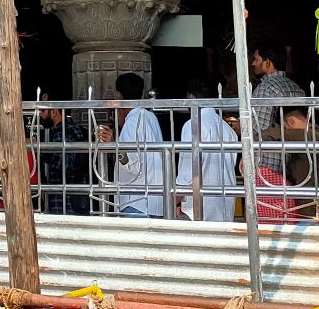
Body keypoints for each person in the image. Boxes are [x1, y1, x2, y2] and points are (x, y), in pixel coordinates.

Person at [104, 73, 170, 217]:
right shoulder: (150, 117)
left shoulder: (132, 122)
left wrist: (114, 146)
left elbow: (133, 164)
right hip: (155, 202)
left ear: (118, 96)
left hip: (136, 201)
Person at [174, 80, 238, 221]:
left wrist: (174, 199)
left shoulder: (193, 124)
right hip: (224, 207)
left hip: (197, 208)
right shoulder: (227, 129)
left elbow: (188, 171)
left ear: (191, 97)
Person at [249, 41, 305, 181]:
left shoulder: (265, 89)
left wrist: (241, 127)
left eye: (256, 59)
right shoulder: (296, 88)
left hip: (269, 163)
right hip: (293, 162)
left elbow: (258, 130)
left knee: (268, 202)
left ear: (268, 63)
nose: (253, 64)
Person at [36, 104, 95, 216]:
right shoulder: (78, 130)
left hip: (65, 200)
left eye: (43, 110)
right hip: (79, 198)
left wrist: (43, 150)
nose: (40, 114)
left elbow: (66, 164)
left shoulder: (61, 132)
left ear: (54, 111)